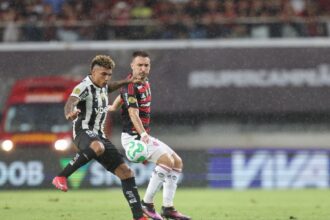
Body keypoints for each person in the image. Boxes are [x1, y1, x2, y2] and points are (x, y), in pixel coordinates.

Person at [52, 55, 148, 220]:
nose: (107, 78)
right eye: (103, 74)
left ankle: (139, 217)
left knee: (127, 173)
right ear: (93, 72)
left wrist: (128, 81)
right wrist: (70, 112)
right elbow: (71, 101)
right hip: (83, 131)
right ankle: (61, 176)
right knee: (97, 146)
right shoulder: (83, 87)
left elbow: (110, 86)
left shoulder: (103, 85)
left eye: (109, 74)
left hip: (99, 135)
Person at [110, 51, 191, 220]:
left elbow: (121, 97)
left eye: (146, 65)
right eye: (139, 65)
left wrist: (112, 107)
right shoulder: (130, 86)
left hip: (143, 135)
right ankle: (147, 204)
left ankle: (168, 208)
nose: (143, 68)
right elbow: (133, 113)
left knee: (177, 162)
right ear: (132, 66)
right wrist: (143, 134)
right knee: (166, 162)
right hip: (134, 138)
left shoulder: (144, 82)